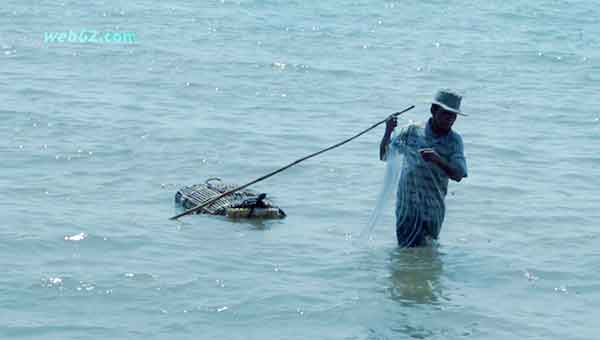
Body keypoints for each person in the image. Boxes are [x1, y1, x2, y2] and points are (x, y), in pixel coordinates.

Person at [379, 90, 468, 247]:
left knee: (427, 252)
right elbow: (385, 156)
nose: (450, 119)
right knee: (406, 253)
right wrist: (388, 130)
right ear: (433, 110)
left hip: (433, 209)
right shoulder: (412, 131)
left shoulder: (454, 141)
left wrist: (438, 160)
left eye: (453, 115)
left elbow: (459, 174)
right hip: (407, 207)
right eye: (446, 114)